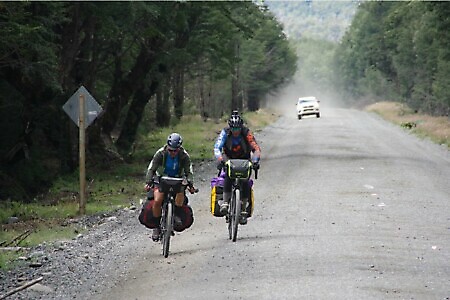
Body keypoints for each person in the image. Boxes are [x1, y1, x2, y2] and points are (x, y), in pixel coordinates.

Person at [145, 133, 196, 241]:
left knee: (180, 196)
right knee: (157, 200)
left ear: (179, 148)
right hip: (161, 179)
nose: (173, 152)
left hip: (177, 180)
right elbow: (151, 168)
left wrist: (190, 183)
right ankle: (156, 226)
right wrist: (148, 181)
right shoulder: (161, 153)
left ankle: (175, 214)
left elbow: (189, 171)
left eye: (175, 150)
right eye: (170, 150)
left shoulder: (184, 155)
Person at [213, 111, 261, 225]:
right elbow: (217, 147)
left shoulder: (246, 133)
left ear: (241, 127)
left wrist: (255, 161)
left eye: (238, 129)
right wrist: (220, 159)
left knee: (245, 181)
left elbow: (256, 148)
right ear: (230, 127)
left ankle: (243, 208)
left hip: (244, 160)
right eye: (233, 129)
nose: (236, 132)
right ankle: (225, 202)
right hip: (229, 158)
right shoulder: (225, 132)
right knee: (228, 177)